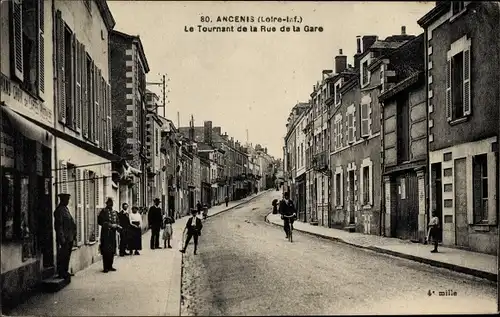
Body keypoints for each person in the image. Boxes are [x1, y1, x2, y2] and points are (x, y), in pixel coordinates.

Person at [54, 193, 77, 280]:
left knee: (67, 255)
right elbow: (58, 226)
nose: (68, 201)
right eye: (66, 200)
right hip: (64, 238)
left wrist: (74, 235)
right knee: (62, 255)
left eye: (68, 199)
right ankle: (61, 272)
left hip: (69, 237)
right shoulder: (59, 210)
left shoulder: (65, 209)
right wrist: (62, 238)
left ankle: (65, 271)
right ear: (62, 200)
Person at [98, 198, 122, 273]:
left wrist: (118, 226)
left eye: (111, 203)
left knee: (112, 250)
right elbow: (100, 221)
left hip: (112, 234)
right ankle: (105, 267)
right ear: (107, 203)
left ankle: (110, 266)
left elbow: (117, 220)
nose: (111, 204)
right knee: (105, 250)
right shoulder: (103, 211)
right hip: (105, 234)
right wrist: (110, 225)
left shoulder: (114, 212)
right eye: (109, 203)